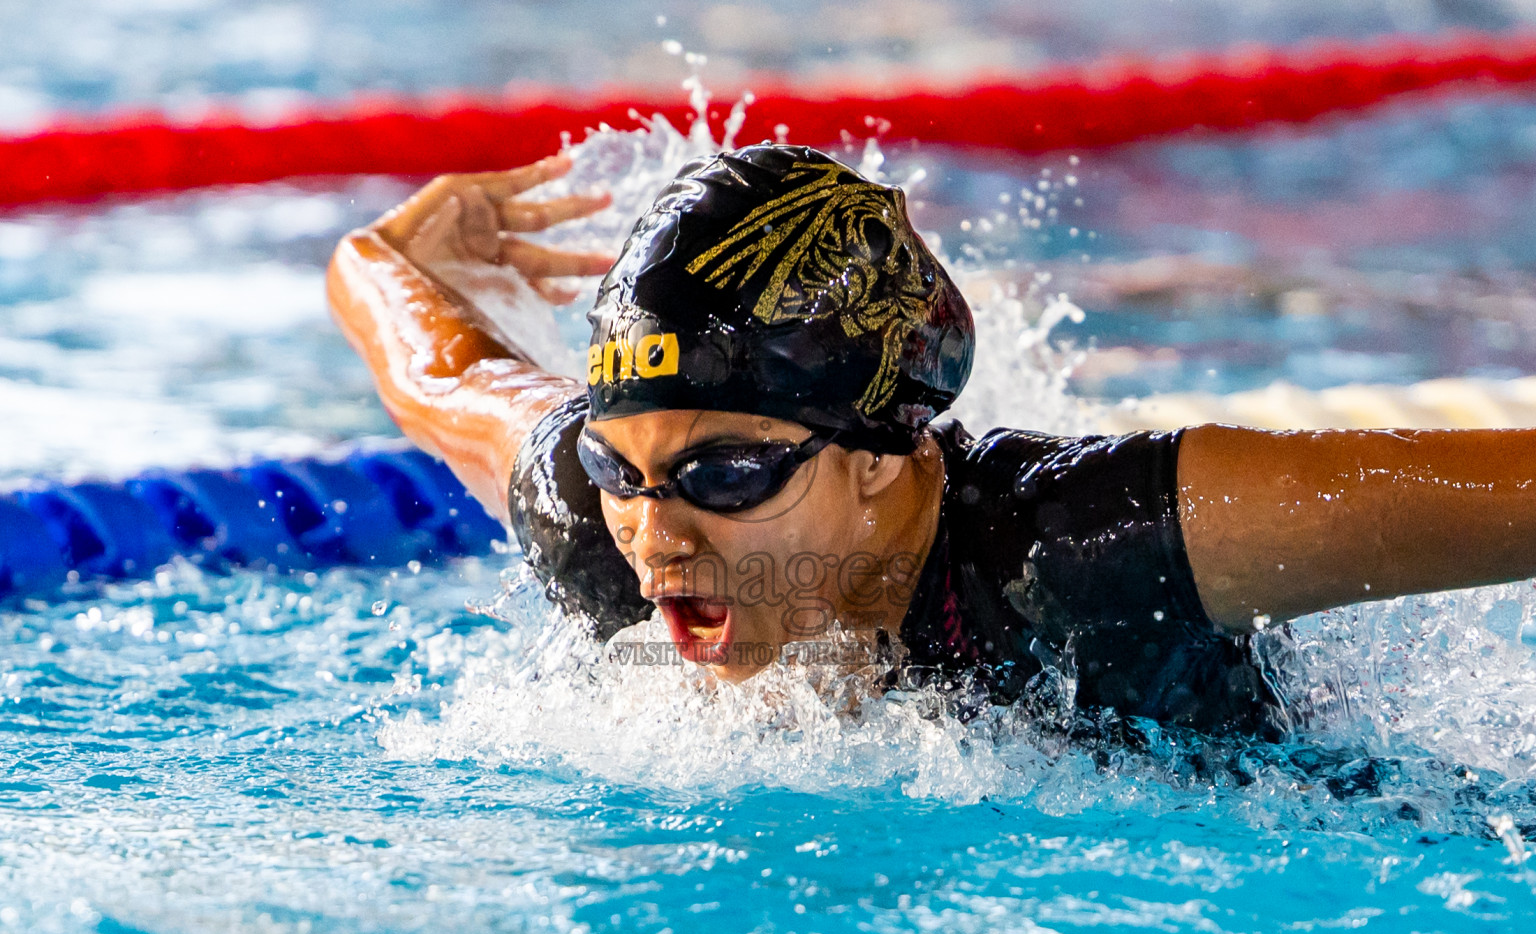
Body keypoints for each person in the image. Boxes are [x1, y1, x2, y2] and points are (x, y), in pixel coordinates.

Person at [328, 143, 1536, 738]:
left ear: (879, 452)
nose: (654, 537)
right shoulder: (593, 528)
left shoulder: (1083, 545)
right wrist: (375, 254)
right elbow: (445, 371)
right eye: (619, 469)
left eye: (727, 474)